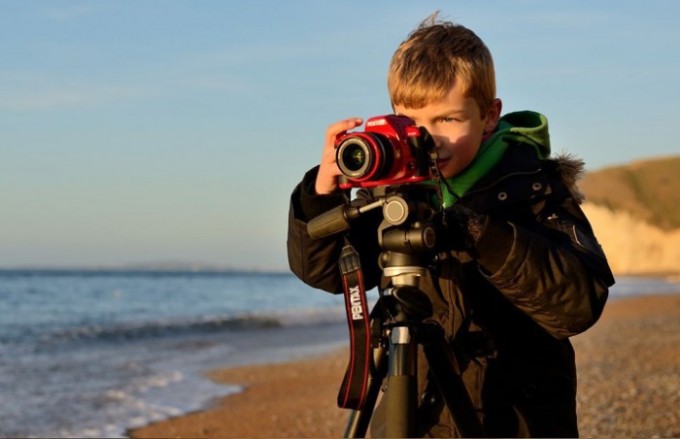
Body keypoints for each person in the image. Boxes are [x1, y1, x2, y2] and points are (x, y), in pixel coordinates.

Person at [287, 12, 614, 438]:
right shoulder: (392, 194)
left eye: (448, 120)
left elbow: (578, 306)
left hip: (516, 417)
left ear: (489, 116)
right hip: (418, 405)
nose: (429, 139)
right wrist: (321, 193)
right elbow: (329, 272)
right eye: (413, 122)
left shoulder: (532, 187)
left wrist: (478, 231)